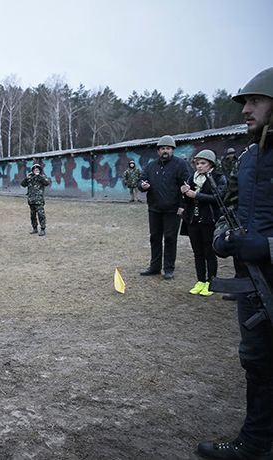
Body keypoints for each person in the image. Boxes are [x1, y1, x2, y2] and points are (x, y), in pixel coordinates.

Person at [197, 66, 273, 460]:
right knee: (257, 362)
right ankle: (256, 442)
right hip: (252, 285)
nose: (246, 108)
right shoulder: (247, 159)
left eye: (256, 101)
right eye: (244, 101)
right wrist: (221, 241)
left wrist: (268, 246)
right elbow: (230, 210)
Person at [137, 135, 191, 280]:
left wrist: (182, 205)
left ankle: (168, 268)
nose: (165, 151)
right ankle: (154, 267)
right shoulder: (150, 165)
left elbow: (186, 185)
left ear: (172, 150)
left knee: (170, 238)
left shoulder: (181, 165)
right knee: (155, 237)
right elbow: (141, 180)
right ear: (158, 150)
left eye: (168, 148)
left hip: (173, 209)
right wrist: (142, 185)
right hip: (154, 208)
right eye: (162, 149)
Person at [179, 150, 227, 296]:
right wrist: (183, 191)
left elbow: (219, 197)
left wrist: (196, 195)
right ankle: (200, 281)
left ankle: (211, 282)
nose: (199, 166)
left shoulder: (219, 177)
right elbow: (186, 200)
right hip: (193, 220)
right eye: (197, 163)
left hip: (209, 220)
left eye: (203, 163)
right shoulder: (191, 178)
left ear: (210, 164)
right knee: (197, 252)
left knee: (209, 252)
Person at [21, 163, 52, 235]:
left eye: (37, 169)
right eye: (35, 170)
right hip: (31, 200)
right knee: (33, 216)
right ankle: (34, 228)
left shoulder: (42, 177)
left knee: (41, 215)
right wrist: (26, 178)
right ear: (33, 171)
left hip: (39, 200)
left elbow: (47, 183)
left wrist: (40, 176)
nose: (36, 171)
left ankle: (43, 229)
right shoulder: (30, 178)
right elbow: (23, 184)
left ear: (40, 170)